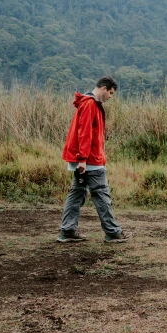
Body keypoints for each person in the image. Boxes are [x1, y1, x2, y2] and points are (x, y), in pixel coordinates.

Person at [57, 76, 132, 243]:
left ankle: (67, 231)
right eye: (111, 93)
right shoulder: (90, 104)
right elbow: (85, 133)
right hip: (89, 160)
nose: (110, 97)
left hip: (85, 159)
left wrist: (81, 159)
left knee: (77, 194)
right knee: (101, 194)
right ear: (104, 88)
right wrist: (83, 159)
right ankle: (112, 232)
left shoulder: (88, 102)